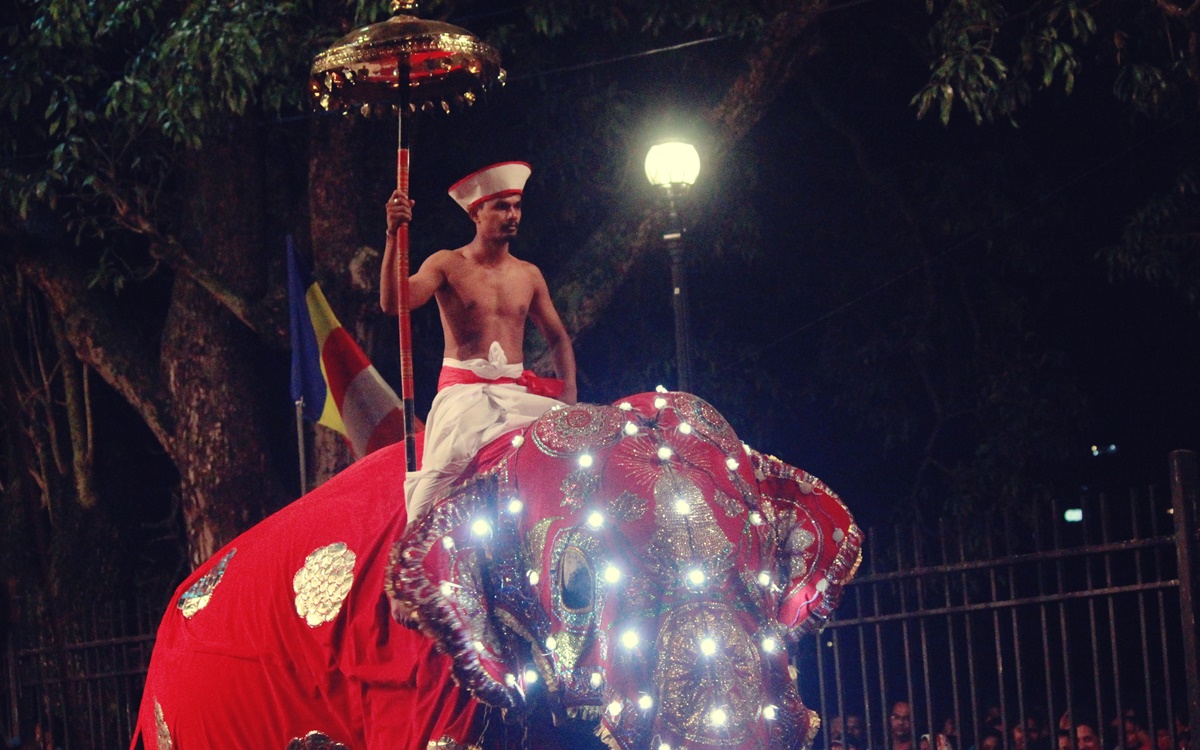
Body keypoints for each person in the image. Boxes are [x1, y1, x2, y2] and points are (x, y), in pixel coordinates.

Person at [380, 161, 578, 521]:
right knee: (432, 493)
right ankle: (411, 554)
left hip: (518, 394)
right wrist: (393, 236)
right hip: (463, 396)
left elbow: (558, 338)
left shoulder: (528, 274)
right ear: (476, 212)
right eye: (502, 206)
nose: (512, 215)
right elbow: (394, 303)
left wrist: (569, 396)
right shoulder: (446, 264)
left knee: (574, 448)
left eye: (517, 206)